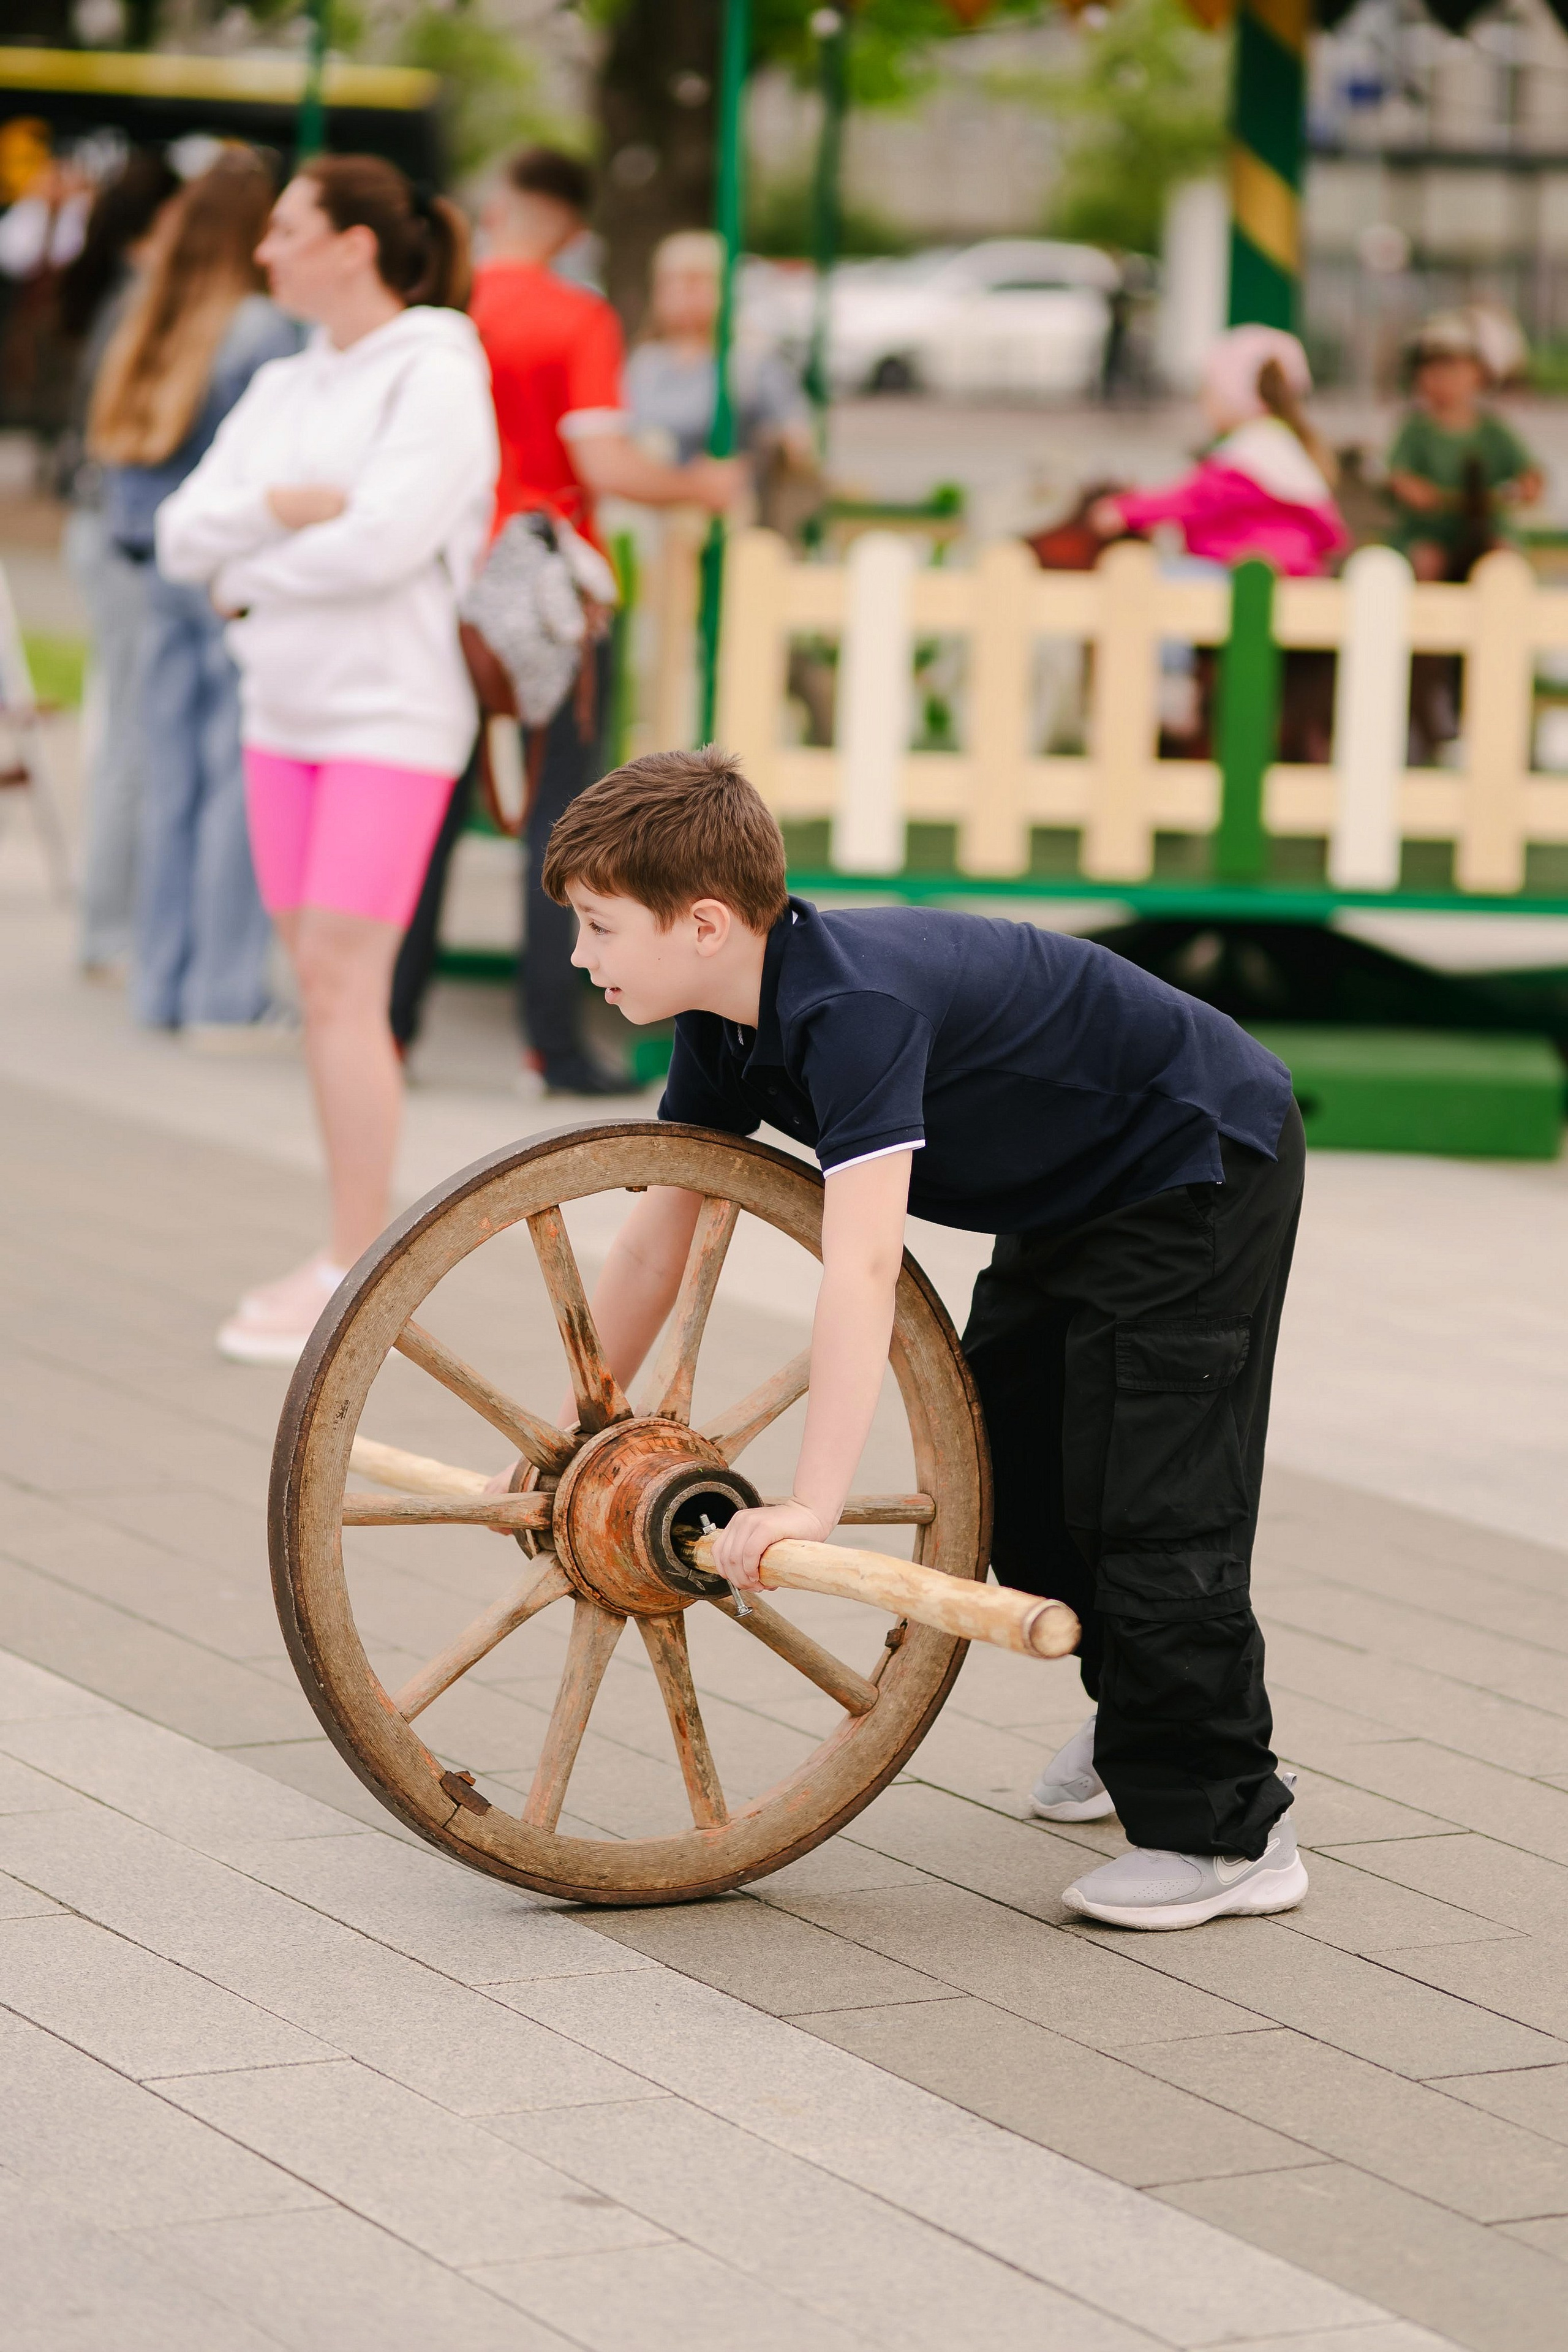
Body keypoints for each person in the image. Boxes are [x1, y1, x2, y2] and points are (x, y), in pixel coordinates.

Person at [503, 747, 1308, 1932]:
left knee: (1149, 1492)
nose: (579, 956)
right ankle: (1144, 1704)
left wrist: (812, 1506)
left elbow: (864, 1265)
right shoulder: (723, 1024)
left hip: (1198, 1165)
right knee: (1011, 1470)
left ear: (707, 924)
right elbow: (652, 1244)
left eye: (600, 928)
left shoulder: (850, 1011)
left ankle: (1228, 1829)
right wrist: (571, 1428)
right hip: (1075, 1192)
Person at [157, 155, 497, 1362]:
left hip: (389, 724)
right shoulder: (287, 380)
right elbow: (178, 527)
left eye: (287, 230)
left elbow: (385, 545)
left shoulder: (440, 371)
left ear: (352, 244)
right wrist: (282, 515)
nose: (265, 251)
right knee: (318, 988)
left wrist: (253, 563)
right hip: (282, 720)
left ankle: (358, 1265)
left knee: (345, 989)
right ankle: (344, 1252)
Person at [461, 146, 737, 1098]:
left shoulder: (449, 305)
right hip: (545, 585)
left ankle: (395, 1022)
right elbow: (608, 464)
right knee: (557, 812)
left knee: (438, 799)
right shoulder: (578, 317)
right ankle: (555, 1041)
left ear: (500, 206)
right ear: (576, 229)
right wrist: (701, 483)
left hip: (456, 579)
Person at [90, 148, 302, 1037]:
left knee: (169, 778)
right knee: (231, 786)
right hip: (223, 576)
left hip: (148, 565)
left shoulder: (148, 312)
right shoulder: (261, 330)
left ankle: (161, 985)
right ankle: (226, 991)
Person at [55, 147, 181, 978]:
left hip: (96, 528)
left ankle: (108, 921)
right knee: (134, 737)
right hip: (120, 535)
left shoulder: (116, 295)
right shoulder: (147, 303)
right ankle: (108, 928)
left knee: (125, 730)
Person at [1090, 324, 1348, 576]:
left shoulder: (1251, 453)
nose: (1204, 403)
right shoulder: (1282, 446)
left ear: (1231, 395)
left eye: (1208, 391)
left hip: (1245, 572)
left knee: (1154, 581)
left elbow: (1195, 498)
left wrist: (1125, 511)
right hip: (1289, 572)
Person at [626, 228, 812, 469]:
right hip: (655, 496)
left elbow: (796, 437)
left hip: (728, 499)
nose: (679, 292)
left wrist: (775, 446)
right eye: (669, 281)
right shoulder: (645, 361)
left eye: (693, 281)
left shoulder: (751, 361)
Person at [1385, 311, 1543, 581]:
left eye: (1451, 368)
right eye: (1431, 369)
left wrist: (1528, 485)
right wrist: (1415, 491)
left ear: (1479, 374)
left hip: (1487, 527)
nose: (1440, 378)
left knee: (1505, 560)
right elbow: (1399, 476)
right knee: (1426, 560)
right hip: (1430, 531)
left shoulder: (1494, 431)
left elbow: (1529, 473)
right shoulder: (1416, 430)